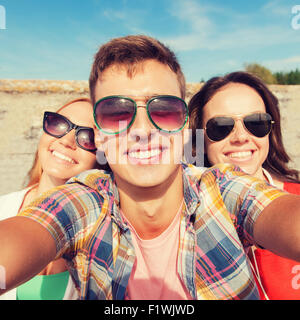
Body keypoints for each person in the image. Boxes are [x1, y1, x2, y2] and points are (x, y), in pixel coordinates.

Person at [1, 35, 300, 300]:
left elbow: (273, 210)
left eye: (164, 111)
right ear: (100, 137)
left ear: (185, 129)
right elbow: (36, 229)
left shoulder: (223, 190)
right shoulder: (83, 203)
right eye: (117, 113)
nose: (142, 129)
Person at [188, 71, 300, 299]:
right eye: (220, 127)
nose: (240, 137)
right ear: (200, 138)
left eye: (256, 123)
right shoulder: (183, 227)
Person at [0, 98, 101, 300]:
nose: (66, 140)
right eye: (57, 123)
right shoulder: (3, 207)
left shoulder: (105, 235)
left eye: (87, 137)